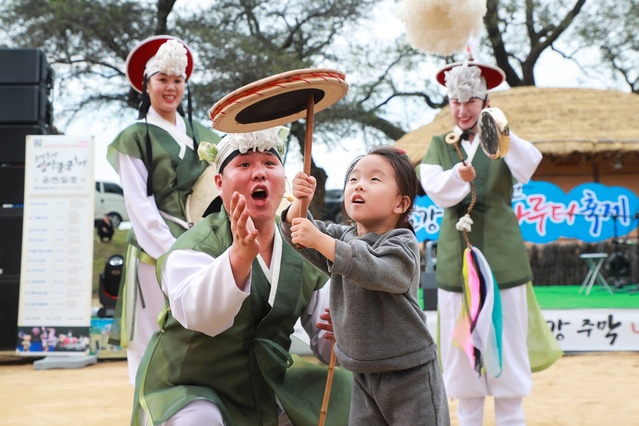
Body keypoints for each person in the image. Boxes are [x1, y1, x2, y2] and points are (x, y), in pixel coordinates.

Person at [131, 127, 351, 426]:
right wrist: (239, 258)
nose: (259, 173)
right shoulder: (192, 248)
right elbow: (203, 318)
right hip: (192, 389)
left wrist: (343, 336)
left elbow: (329, 343)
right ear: (219, 182)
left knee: (349, 393)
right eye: (244, 164)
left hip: (267, 386)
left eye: (269, 164)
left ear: (284, 181)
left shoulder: (305, 247)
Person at [419, 60, 561, 425]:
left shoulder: (500, 137)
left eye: (470, 100)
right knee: (463, 360)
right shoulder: (440, 144)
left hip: (503, 257)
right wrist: (458, 174)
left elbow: (529, 163)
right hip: (456, 260)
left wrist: (498, 131)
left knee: (508, 350)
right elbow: (437, 190)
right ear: (448, 103)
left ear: (485, 101)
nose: (463, 109)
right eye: (456, 101)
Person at [281, 146, 450, 425]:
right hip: (361, 372)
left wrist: (321, 241)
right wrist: (300, 203)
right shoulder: (343, 237)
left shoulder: (402, 243)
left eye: (374, 179)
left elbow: (372, 269)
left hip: (410, 372)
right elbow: (298, 234)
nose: (360, 184)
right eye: (353, 179)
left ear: (401, 204)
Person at [106, 35, 221, 384]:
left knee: (202, 329)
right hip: (155, 250)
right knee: (151, 335)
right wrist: (172, 251)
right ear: (147, 85)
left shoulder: (203, 134)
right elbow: (138, 205)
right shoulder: (135, 136)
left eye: (178, 80)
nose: (170, 88)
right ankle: (149, 410)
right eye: (162, 80)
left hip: (203, 243)